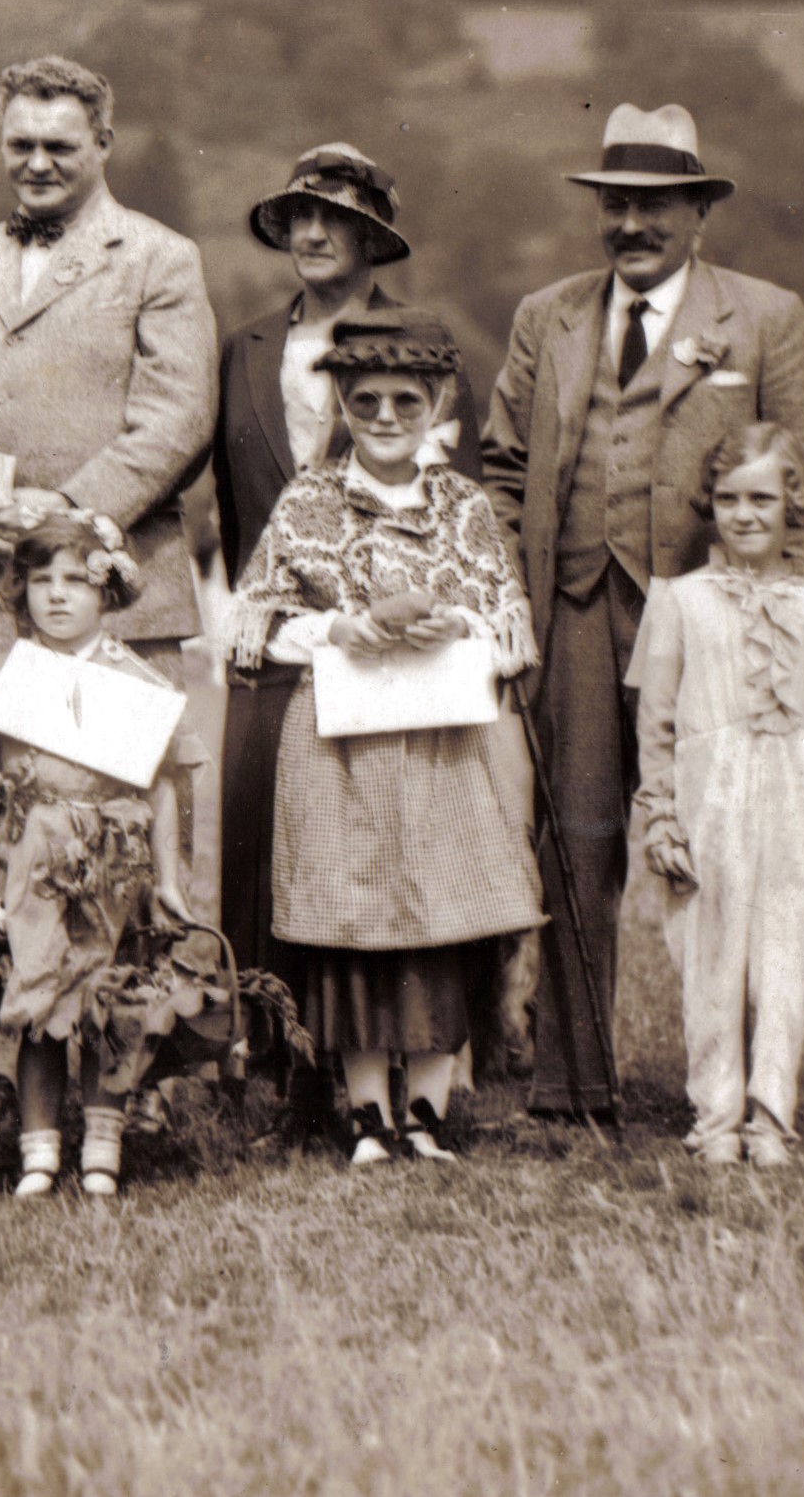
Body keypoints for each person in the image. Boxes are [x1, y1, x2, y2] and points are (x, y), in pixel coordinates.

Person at [481, 102, 804, 1126]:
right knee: (576, 846)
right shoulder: (544, 315)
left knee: (724, 851)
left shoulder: (763, 318)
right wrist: (513, 601)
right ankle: (570, 1086)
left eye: (654, 206)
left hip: (717, 628)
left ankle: (726, 1091)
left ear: (697, 214)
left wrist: (791, 651)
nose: (630, 224)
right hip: (577, 615)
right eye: (615, 205)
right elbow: (502, 470)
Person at [213, 142, 486, 1146]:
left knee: (376, 845)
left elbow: (461, 496)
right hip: (276, 629)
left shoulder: (414, 348)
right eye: (297, 216)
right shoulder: (242, 348)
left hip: (386, 650)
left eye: (335, 217)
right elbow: (228, 493)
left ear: (374, 235)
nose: (314, 233)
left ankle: (392, 1078)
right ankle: (277, 1069)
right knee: (259, 839)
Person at [228, 308, 545, 1165]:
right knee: (353, 920)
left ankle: (429, 1111)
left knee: (439, 920)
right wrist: (336, 632)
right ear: (340, 401)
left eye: (407, 399)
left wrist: (459, 629)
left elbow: (506, 623)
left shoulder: (464, 505)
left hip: (440, 742)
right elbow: (254, 614)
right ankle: (367, 1112)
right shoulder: (310, 500)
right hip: (343, 743)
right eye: (364, 399)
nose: (385, 417)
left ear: (439, 401)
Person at [0, 56, 216, 669]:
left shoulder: (162, 259)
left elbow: (179, 420)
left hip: (117, 601)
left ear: (103, 143)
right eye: (21, 144)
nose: (37, 164)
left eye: (59, 146)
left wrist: (64, 511)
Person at [627, 425, 804, 1169]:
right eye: (728, 499)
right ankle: (716, 1114)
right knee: (709, 957)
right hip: (708, 798)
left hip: (795, 798)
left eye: (763, 497)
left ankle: (771, 1116)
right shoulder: (682, 600)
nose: (745, 514)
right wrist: (661, 814)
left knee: (786, 955)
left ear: (796, 502)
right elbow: (654, 719)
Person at [0, 512, 196, 1199]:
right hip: (36, 862)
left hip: (113, 863)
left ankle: (104, 1142)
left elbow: (161, 783)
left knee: (109, 1004)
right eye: (40, 581)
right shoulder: (10, 677)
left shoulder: (136, 679)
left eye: (76, 580)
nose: (58, 596)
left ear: (108, 592)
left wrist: (168, 878)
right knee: (42, 1000)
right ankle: (38, 1149)